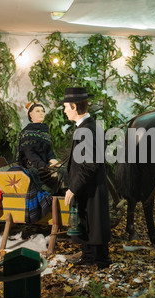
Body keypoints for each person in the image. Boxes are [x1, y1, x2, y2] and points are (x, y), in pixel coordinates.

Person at [61, 87, 112, 269]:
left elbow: (89, 164)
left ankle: (100, 260)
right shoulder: (87, 127)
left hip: (91, 187)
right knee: (88, 220)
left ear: (74, 106)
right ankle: (89, 256)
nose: (65, 110)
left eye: (66, 106)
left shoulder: (88, 130)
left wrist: (73, 187)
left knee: (94, 220)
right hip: (88, 186)